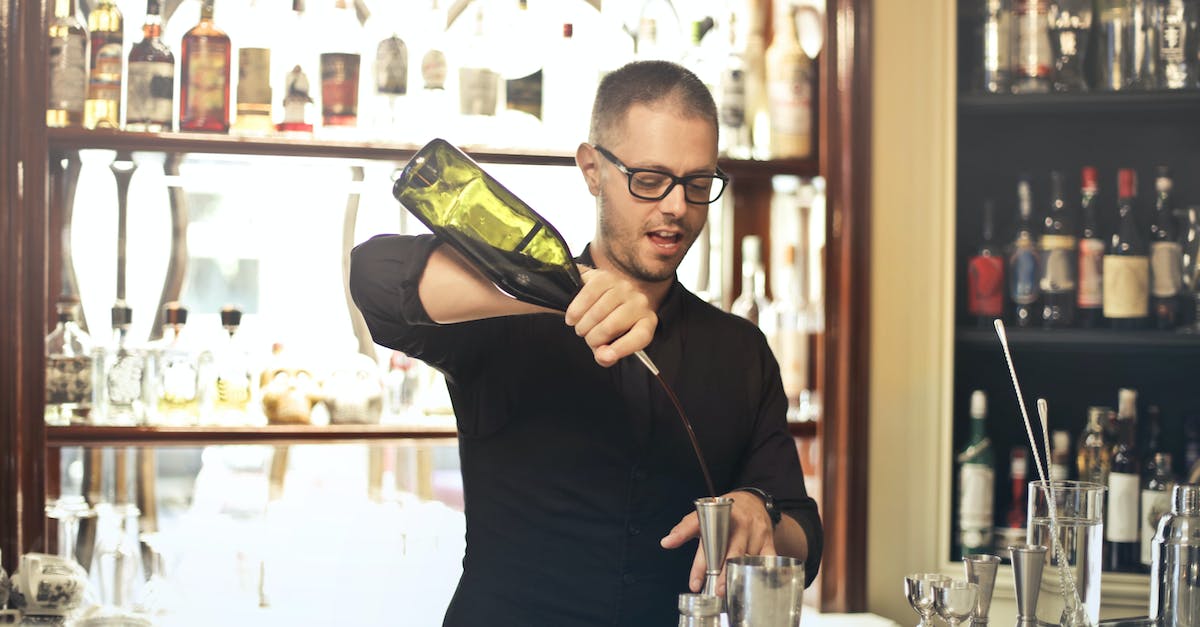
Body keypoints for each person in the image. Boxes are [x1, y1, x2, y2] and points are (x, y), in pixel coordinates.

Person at [349, 60, 822, 626]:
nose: (676, 206)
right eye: (649, 180)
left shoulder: (740, 351)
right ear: (592, 169)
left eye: (698, 184)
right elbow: (373, 277)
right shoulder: (501, 322)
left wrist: (759, 513)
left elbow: (803, 535)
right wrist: (551, 292)